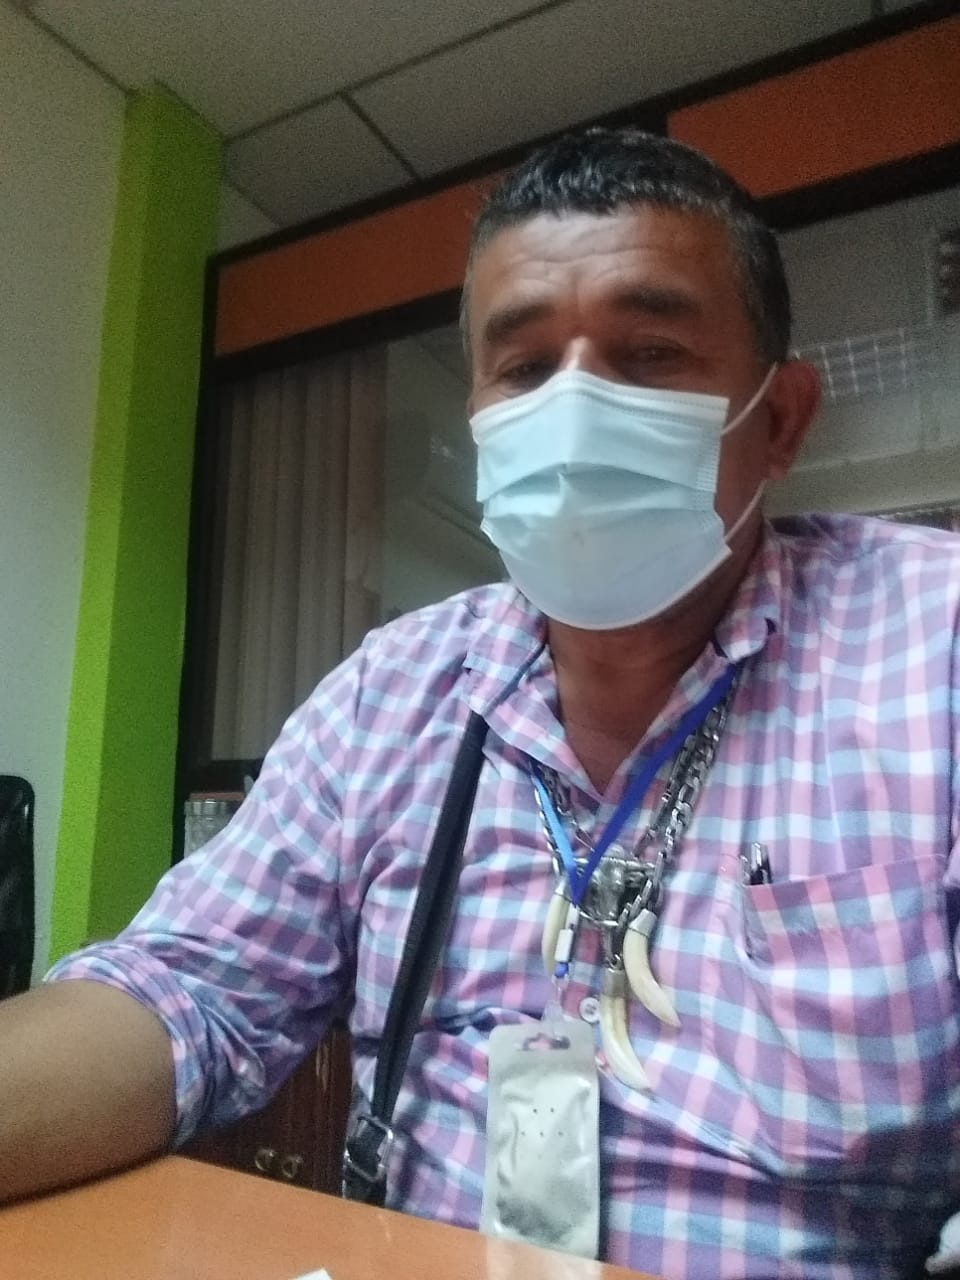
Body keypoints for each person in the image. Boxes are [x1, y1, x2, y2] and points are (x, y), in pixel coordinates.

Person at [2, 126, 959, 1279]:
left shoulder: (931, 651)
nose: (576, 411)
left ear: (782, 419)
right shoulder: (395, 691)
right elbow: (185, 990)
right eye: (524, 367)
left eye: (650, 352)